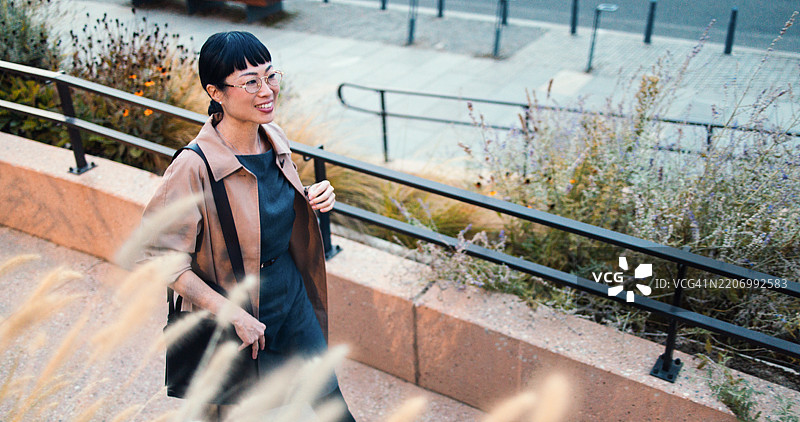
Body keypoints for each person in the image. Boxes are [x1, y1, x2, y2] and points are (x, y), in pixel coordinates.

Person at [142, 31, 355, 421]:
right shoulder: (194, 166)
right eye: (250, 82)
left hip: (290, 296)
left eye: (270, 76)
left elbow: (259, 207)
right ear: (216, 92)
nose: (267, 90)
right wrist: (232, 314)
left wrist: (310, 196)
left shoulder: (273, 137)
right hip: (237, 308)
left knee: (329, 399)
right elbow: (161, 257)